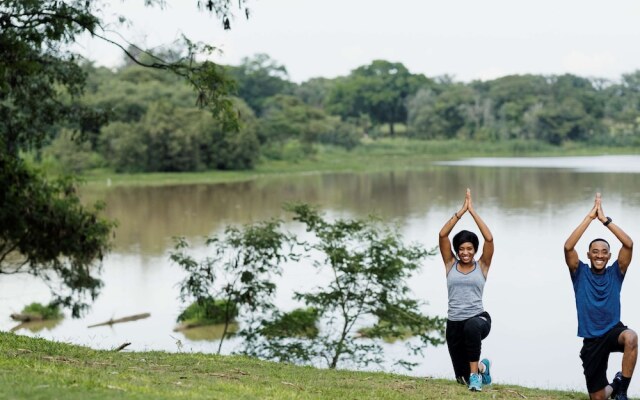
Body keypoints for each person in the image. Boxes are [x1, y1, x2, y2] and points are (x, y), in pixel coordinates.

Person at [564, 193, 637, 400]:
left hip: (613, 330)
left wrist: (605, 221)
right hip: (592, 340)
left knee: (631, 337)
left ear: (609, 256)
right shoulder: (579, 272)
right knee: (598, 397)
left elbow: (629, 244)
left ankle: (622, 391)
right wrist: (590, 217)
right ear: (588, 255)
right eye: (594, 252)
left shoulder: (616, 272)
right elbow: (568, 247)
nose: (599, 255)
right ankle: (615, 385)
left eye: (604, 252)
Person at [438, 188, 494, 391]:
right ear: (457, 250)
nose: (465, 252)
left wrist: (473, 212)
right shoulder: (449, 264)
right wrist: (461, 212)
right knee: (461, 380)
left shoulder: (483, 266)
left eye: (469, 248)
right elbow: (443, 234)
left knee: (471, 326)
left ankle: (475, 377)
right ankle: (480, 368)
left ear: (475, 250)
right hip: (454, 324)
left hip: (479, 319)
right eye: (461, 249)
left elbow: (489, 239)